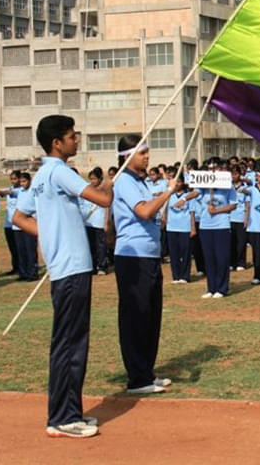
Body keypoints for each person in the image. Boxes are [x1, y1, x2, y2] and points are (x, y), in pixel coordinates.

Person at [11, 114, 113, 438]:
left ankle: (69, 412)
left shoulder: (41, 174)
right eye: (72, 136)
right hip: (71, 268)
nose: (76, 140)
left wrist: (48, 235)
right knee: (70, 344)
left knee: (69, 342)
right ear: (57, 143)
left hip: (66, 266)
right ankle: (62, 418)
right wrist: (113, 180)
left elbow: (18, 216)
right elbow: (104, 199)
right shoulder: (58, 172)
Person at [111, 134, 175, 393]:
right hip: (133, 257)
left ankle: (146, 372)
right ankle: (137, 378)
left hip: (149, 255)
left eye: (147, 151)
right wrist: (168, 192)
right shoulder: (125, 181)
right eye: (141, 153)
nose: (147, 157)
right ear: (127, 157)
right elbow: (144, 211)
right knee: (136, 316)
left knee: (150, 316)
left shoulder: (142, 182)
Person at [198, 161, 238, 298]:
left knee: (221, 257)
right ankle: (211, 288)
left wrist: (217, 211)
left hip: (221, 225)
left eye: (214, 168)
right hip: (205, 225)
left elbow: (233, 205)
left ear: (220, 169)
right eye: (209, 168)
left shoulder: (228, 185)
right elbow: (194, 192)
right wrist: (184, 198)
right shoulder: (203, 185)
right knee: (209, 258)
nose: (212, 171)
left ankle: (222, 288)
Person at [162, 174, 197, 284]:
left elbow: (192, 213)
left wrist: (193, 228)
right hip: (171, 228)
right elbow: (165, 211)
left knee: (185, 253)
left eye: (179, 181)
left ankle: (185, 276)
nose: (176, 184)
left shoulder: (189, 196)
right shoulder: (169, 195)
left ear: (183, 183)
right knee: (174, 253)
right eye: (174, 182)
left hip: (185, 228)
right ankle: (176, 276)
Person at [80, 167, 110, 275]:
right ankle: (92, 266)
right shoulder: (87, 190)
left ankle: (102, 266)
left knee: (101, 246)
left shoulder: (104, 190)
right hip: (88, 222)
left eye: (94, 179)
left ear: (99, 178)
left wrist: (106, 222)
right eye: (90, 179)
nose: (92, 181)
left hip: (99, 222)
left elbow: (107, 207)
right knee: (90, 245)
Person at [0, 170, 22, 275]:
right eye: (11, 179)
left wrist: (2, 192)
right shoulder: (9, 189)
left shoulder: (21, 190)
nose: (13, 181)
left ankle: (23, 267)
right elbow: (2, 191)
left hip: (19, 224)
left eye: (15, 178)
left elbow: (10, 192)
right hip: (8, 224)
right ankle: (15, 267)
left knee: (20, 247)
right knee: (12, 247)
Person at [13, 173, 39, 281]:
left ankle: (32, 273)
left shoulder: (34, 191)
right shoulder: (20, 192)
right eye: (21, 182)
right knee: (21, 249)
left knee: (30, 249)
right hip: (19, 225)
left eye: (24, 181)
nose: (22, 184)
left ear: (29, 180)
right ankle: (23, 273)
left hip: (29, 222)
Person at [229, 165, 249, 271]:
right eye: (232, 174)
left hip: (241, 217)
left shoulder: (245, 187)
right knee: (231, 242)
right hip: (229, 218)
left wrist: (246, 218)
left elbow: (247, 204)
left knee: (241, 242)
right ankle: (232, 262)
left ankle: (241, 262)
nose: (234, 176)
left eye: (236, 174)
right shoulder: (228, 186)